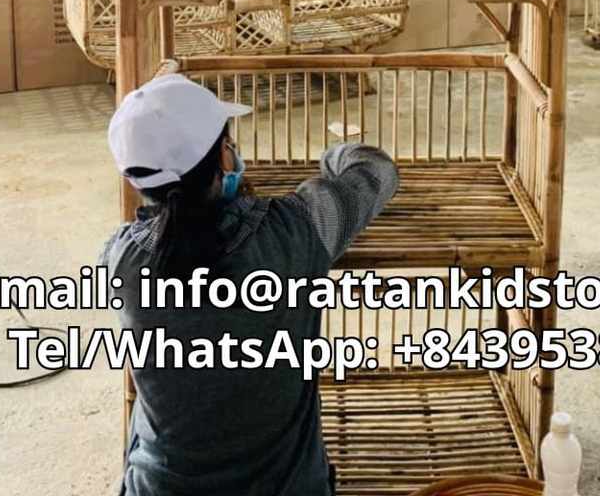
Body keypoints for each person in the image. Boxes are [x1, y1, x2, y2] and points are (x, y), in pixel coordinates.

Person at [100, 73, 399, 496]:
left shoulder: (120, 261)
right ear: (225, 159)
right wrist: (333, 153)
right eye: (228, 144)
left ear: (135, 181)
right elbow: (375, 170)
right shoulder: (295, 231)